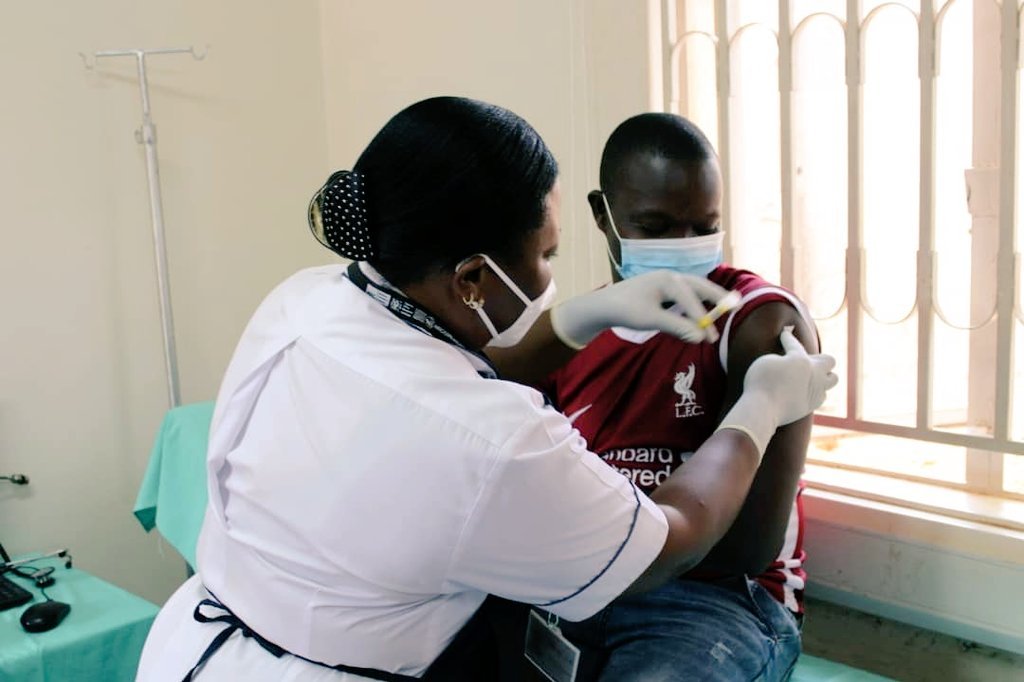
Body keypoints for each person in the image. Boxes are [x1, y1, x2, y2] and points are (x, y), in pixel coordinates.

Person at [135, 97, 835, 681]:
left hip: (206, 645)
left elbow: (745, 552)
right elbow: (667, 540)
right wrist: (761, 405)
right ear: (470, 279)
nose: (554, 280)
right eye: (546, 256)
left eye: (704, 226)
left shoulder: (304, 303)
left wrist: (585, 316)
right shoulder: (490, 439)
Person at [536, 112, 818, 681]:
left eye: (703, 226)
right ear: (602, 214)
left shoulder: (759, 322)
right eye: (657, 225)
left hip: (716, 601)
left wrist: (600, 550)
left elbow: (746, 549)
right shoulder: (570, 336)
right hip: (586, 583)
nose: (687, 247)